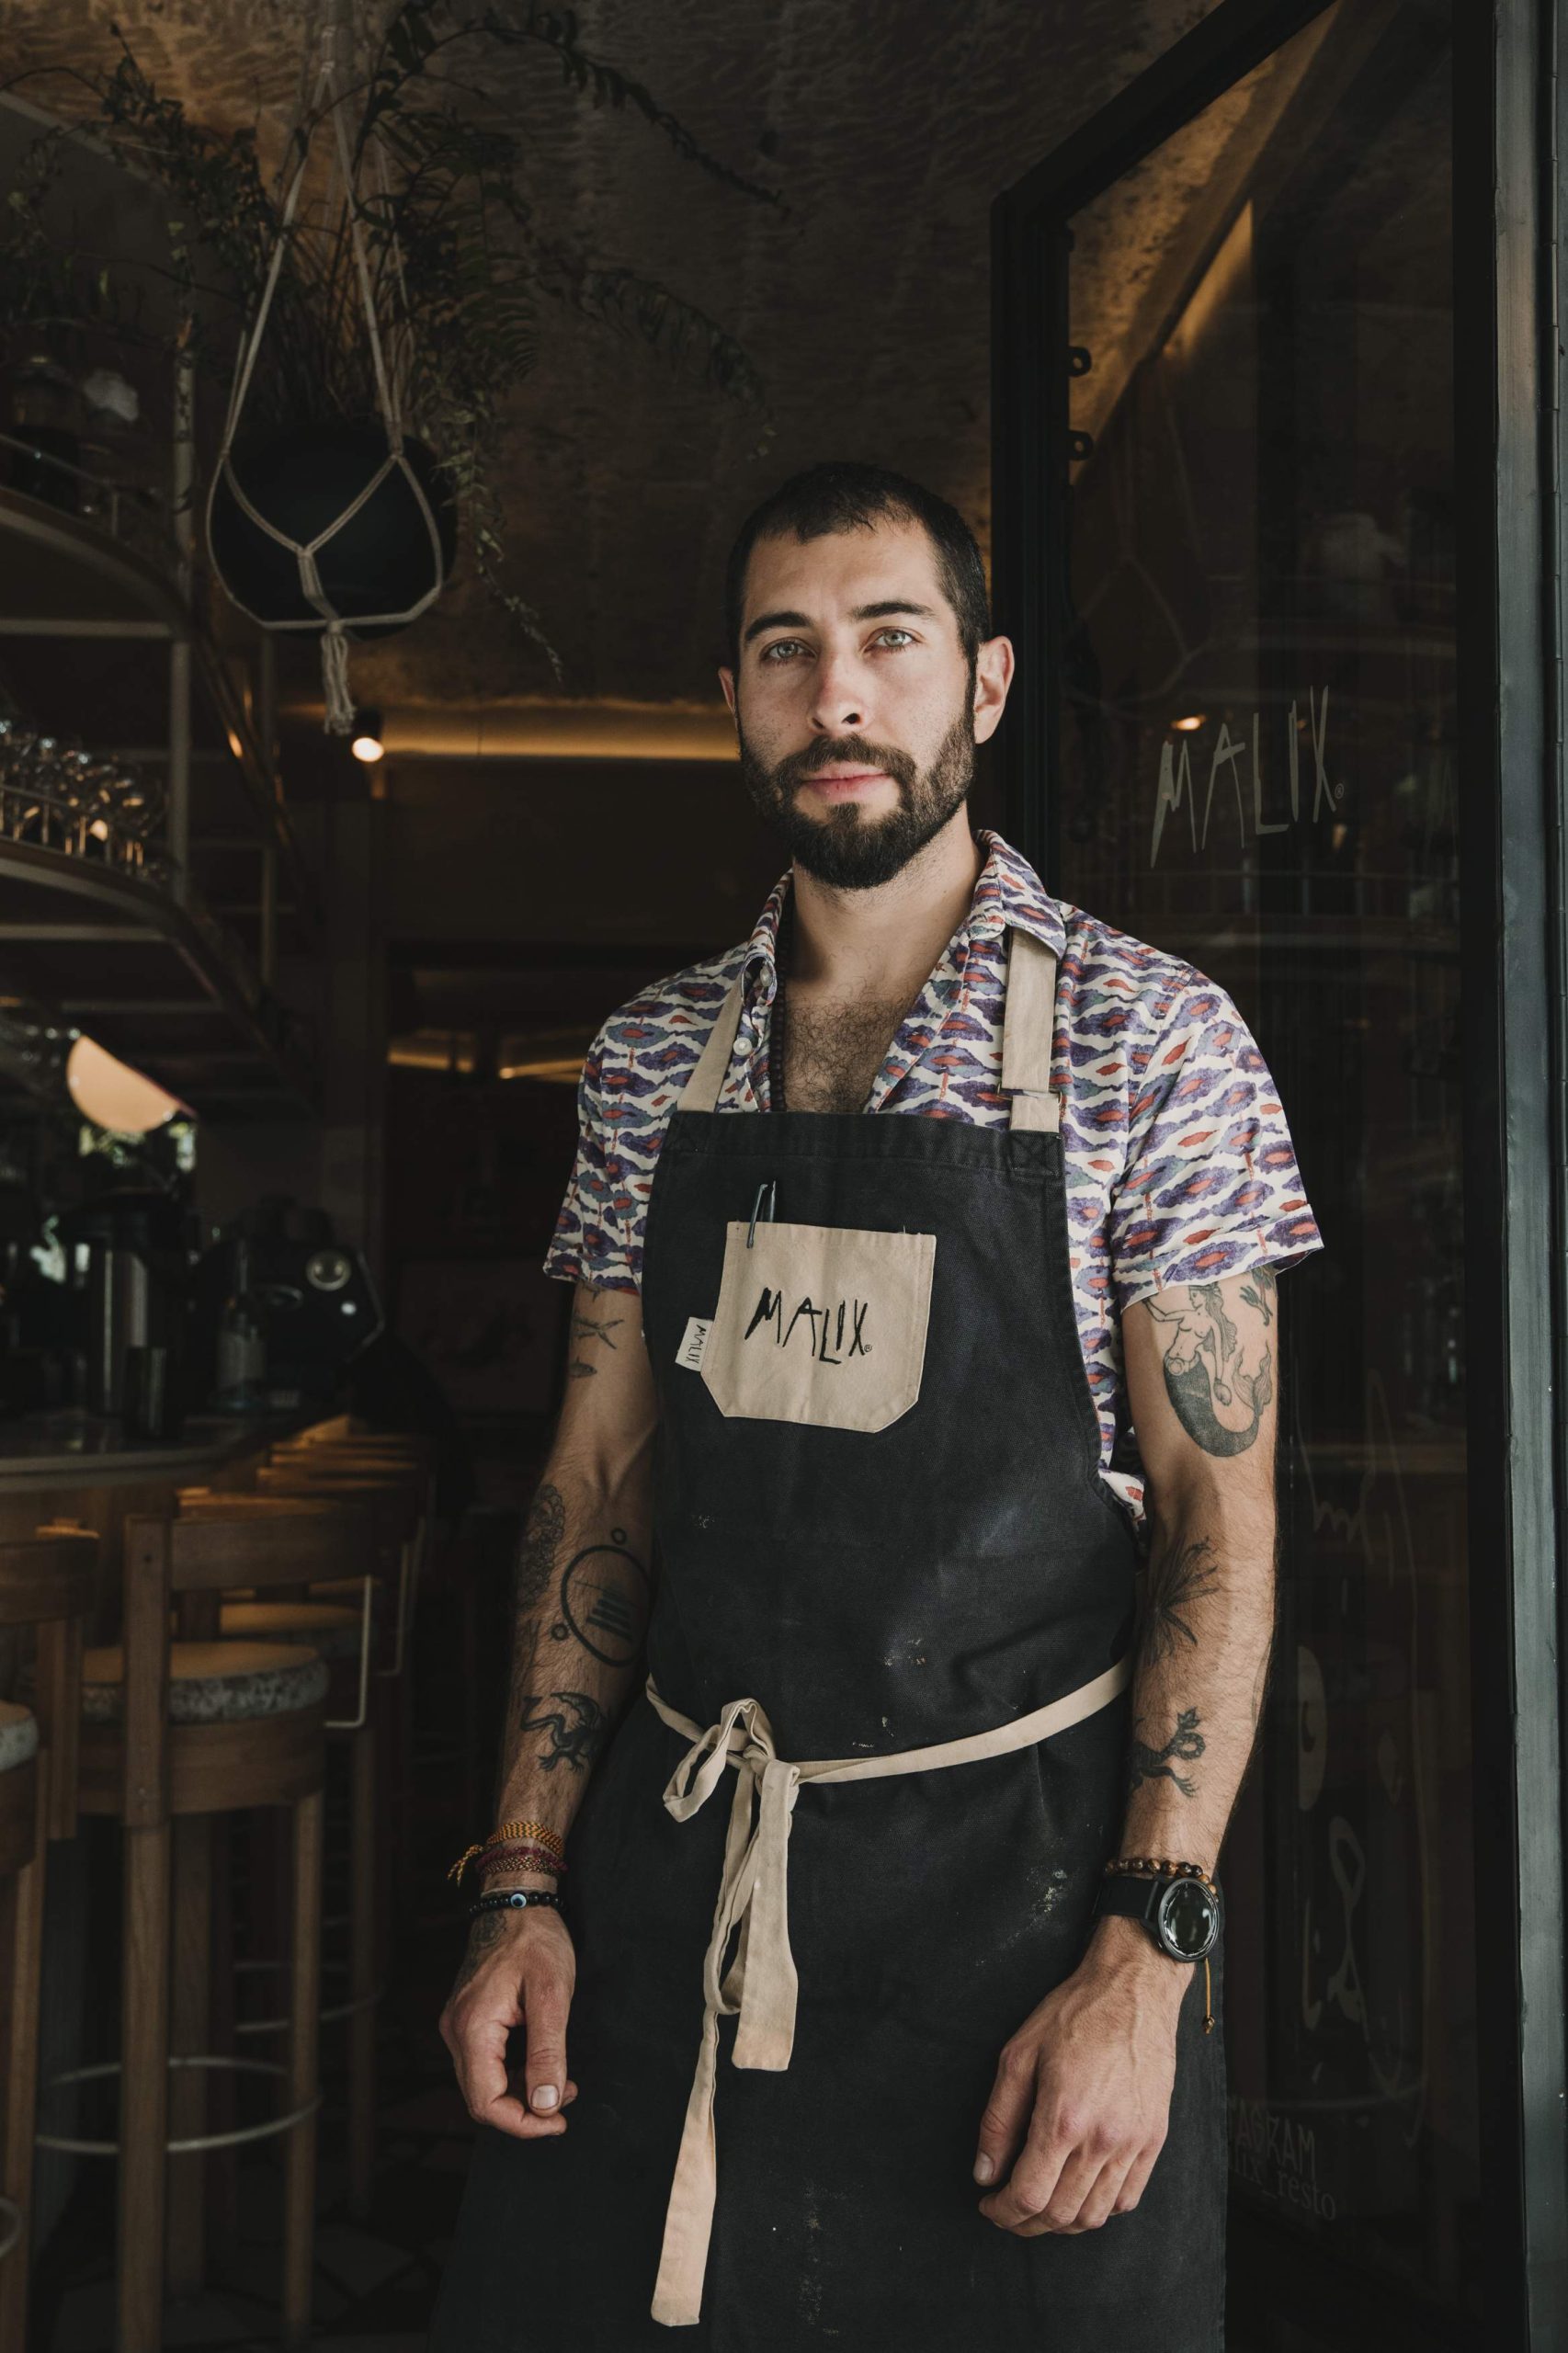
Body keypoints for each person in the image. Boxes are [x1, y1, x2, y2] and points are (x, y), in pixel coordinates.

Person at [429, 462, 1323, 2350]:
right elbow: (596, 1487)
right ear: (737, 700)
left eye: (887, 643)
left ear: (981, 688)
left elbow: (1215, 1527)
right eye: (786, 650)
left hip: (1020, 1947)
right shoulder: (654, 1053)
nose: (837, 697)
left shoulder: (1149, 1038)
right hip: (673, 1910)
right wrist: (522, 1877)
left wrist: (1144, 1960)